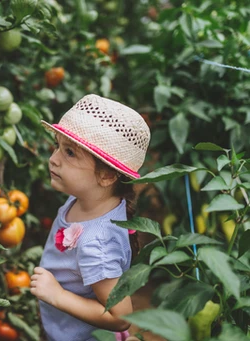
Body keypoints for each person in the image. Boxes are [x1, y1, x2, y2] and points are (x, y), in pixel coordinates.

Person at [30, 94, 151, 341]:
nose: (53, 159)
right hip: (67, 328)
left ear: (106, 176)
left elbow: (120, 316)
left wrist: (58, 296)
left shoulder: (96, 245)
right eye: (58, 146)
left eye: (70, 153)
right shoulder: (89, 201)